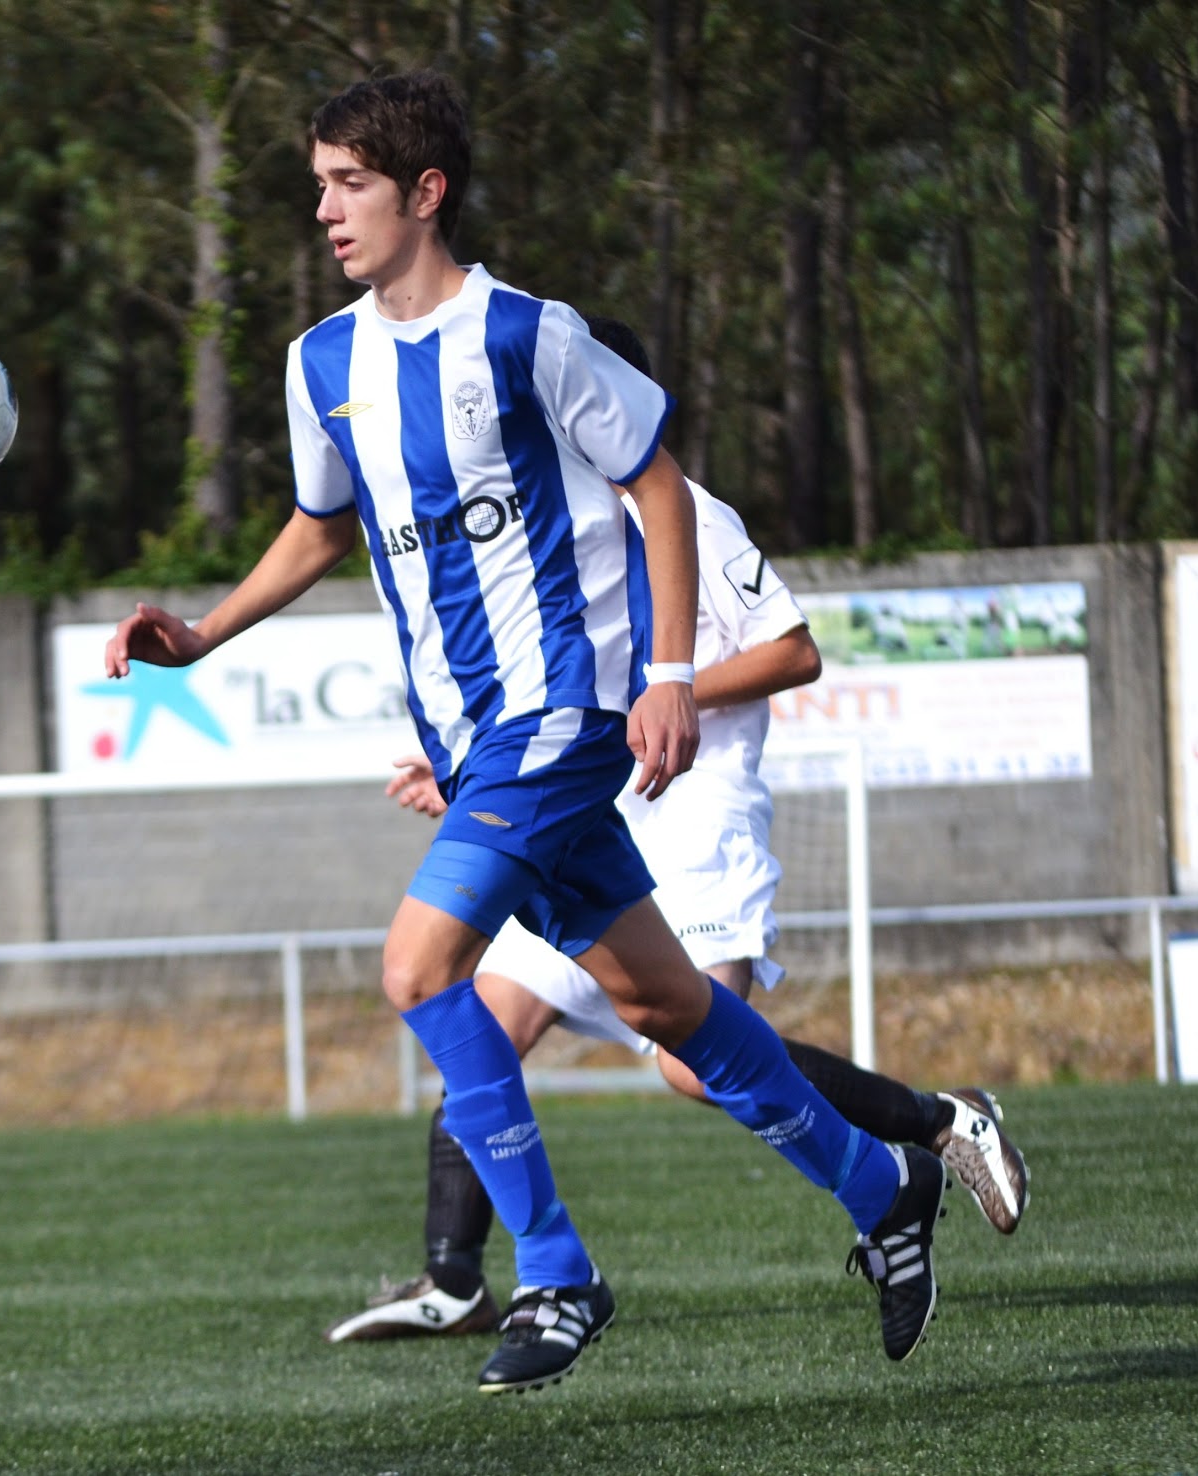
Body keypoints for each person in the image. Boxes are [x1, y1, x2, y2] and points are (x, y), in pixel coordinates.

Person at [106, 71, 951, 1394]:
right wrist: (203, 635)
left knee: (417, 971)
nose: (323, 208)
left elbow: (658, 489)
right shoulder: (320, 363)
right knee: (667, 1007)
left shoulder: (530, 337)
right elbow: (322, 526)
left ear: (425, 192)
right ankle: (883, 1186)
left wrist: (667, 674)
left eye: (349, 183)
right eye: (319, 183)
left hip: (557, 719)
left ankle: (556, 1274)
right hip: (466, 743)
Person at [321, 317, 1029, 1349]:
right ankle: (457, 1279)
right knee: (479, 1016)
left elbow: (793, 651)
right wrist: (475, 769)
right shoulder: (541, 522)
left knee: (688, 1064)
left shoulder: (687, 511)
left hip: (696, 817)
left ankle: (935, 1122)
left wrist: (673, 690)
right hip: (582, 815)